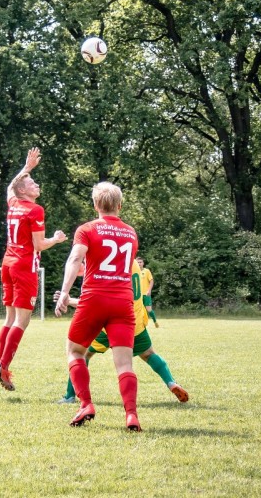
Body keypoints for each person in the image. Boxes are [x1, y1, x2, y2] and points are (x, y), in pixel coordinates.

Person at [55, 181, 140, 430]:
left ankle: (86, 404)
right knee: (125, 363)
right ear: (120, 205)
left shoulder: (87, 229)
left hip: (94, 298)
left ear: (95, 205)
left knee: (75, 351)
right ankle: (131, 415)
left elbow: (76, 258)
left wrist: (65, 292)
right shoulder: (131, 232)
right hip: (123, 301)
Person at [54, 258, 188, 404]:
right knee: (149, 354)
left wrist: (69, 300)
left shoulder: (111, 267)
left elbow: (99, 300)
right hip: (134, 321)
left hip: (110, 323)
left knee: (81, 354)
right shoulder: (133, 264)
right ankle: (171, 383)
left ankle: (70, 395)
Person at [0, 147, 67, 391]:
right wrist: (56, 239)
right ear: (23, 190)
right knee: (22, 322)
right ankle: (3, 366)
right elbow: (39, 245)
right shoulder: (35, 210)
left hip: (8, 262)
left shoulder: (14, 203)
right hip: (24, 266)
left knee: (9, 318)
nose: (36, 184)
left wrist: (27, 168)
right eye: (32, 182)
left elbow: (9, 188)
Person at [137, 256, 158, 327]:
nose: (139, 263)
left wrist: (149, 290)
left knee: (148, 309)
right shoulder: (134, 272)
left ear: (143, 263)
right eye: (138, 262)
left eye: (140, 262)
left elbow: (151, 281)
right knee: (138, 310)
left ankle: (155, 321)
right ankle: (141, 324)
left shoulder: (146, 271)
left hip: (146, 294)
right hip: (138, 295)